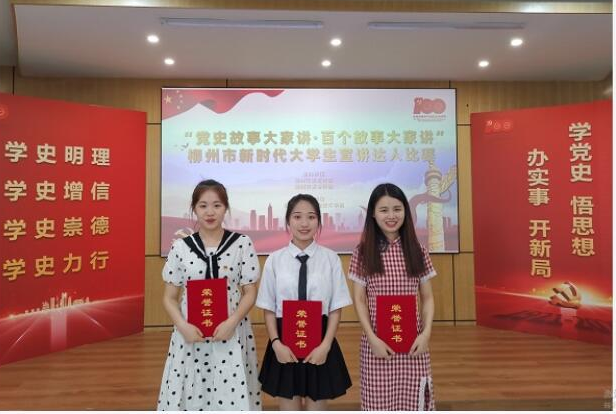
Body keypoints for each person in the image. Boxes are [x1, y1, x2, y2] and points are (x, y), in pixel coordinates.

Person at [157, 179, 262, 410]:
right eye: (203, 205)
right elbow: (169, 297)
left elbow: (250, 291)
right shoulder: (181, 247)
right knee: (191, 387)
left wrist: (232, 322)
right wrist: (182, 326)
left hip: (231, 330)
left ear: (226, 208)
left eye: (217, 205)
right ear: (194, 209)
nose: (210, 212)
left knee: (231, 387)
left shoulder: (242, 244)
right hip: (190, 333)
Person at [256, 194, 352, 410]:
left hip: (320, 341)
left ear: (319, 221)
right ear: (288, 221)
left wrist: (326, 346)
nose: (304, 223)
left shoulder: (330, 259)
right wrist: (276, 343)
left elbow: (335, 307)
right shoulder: (274, 260)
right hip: (284, 342)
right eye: (297, 216)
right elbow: (269, 308)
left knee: (316, 406)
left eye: (311, 217)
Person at [349, 183, 437, 411]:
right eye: (384, 210)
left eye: (397, 209)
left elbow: (427, 298)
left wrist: (426, 334)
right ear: (373, 214)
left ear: (406, 211)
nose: (391, 216)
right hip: (377, 344)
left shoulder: (418, 250)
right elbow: (359, 300)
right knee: (378, 402)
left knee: (413, 400)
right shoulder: (362, 252)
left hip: (414, 344)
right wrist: (372, 338)